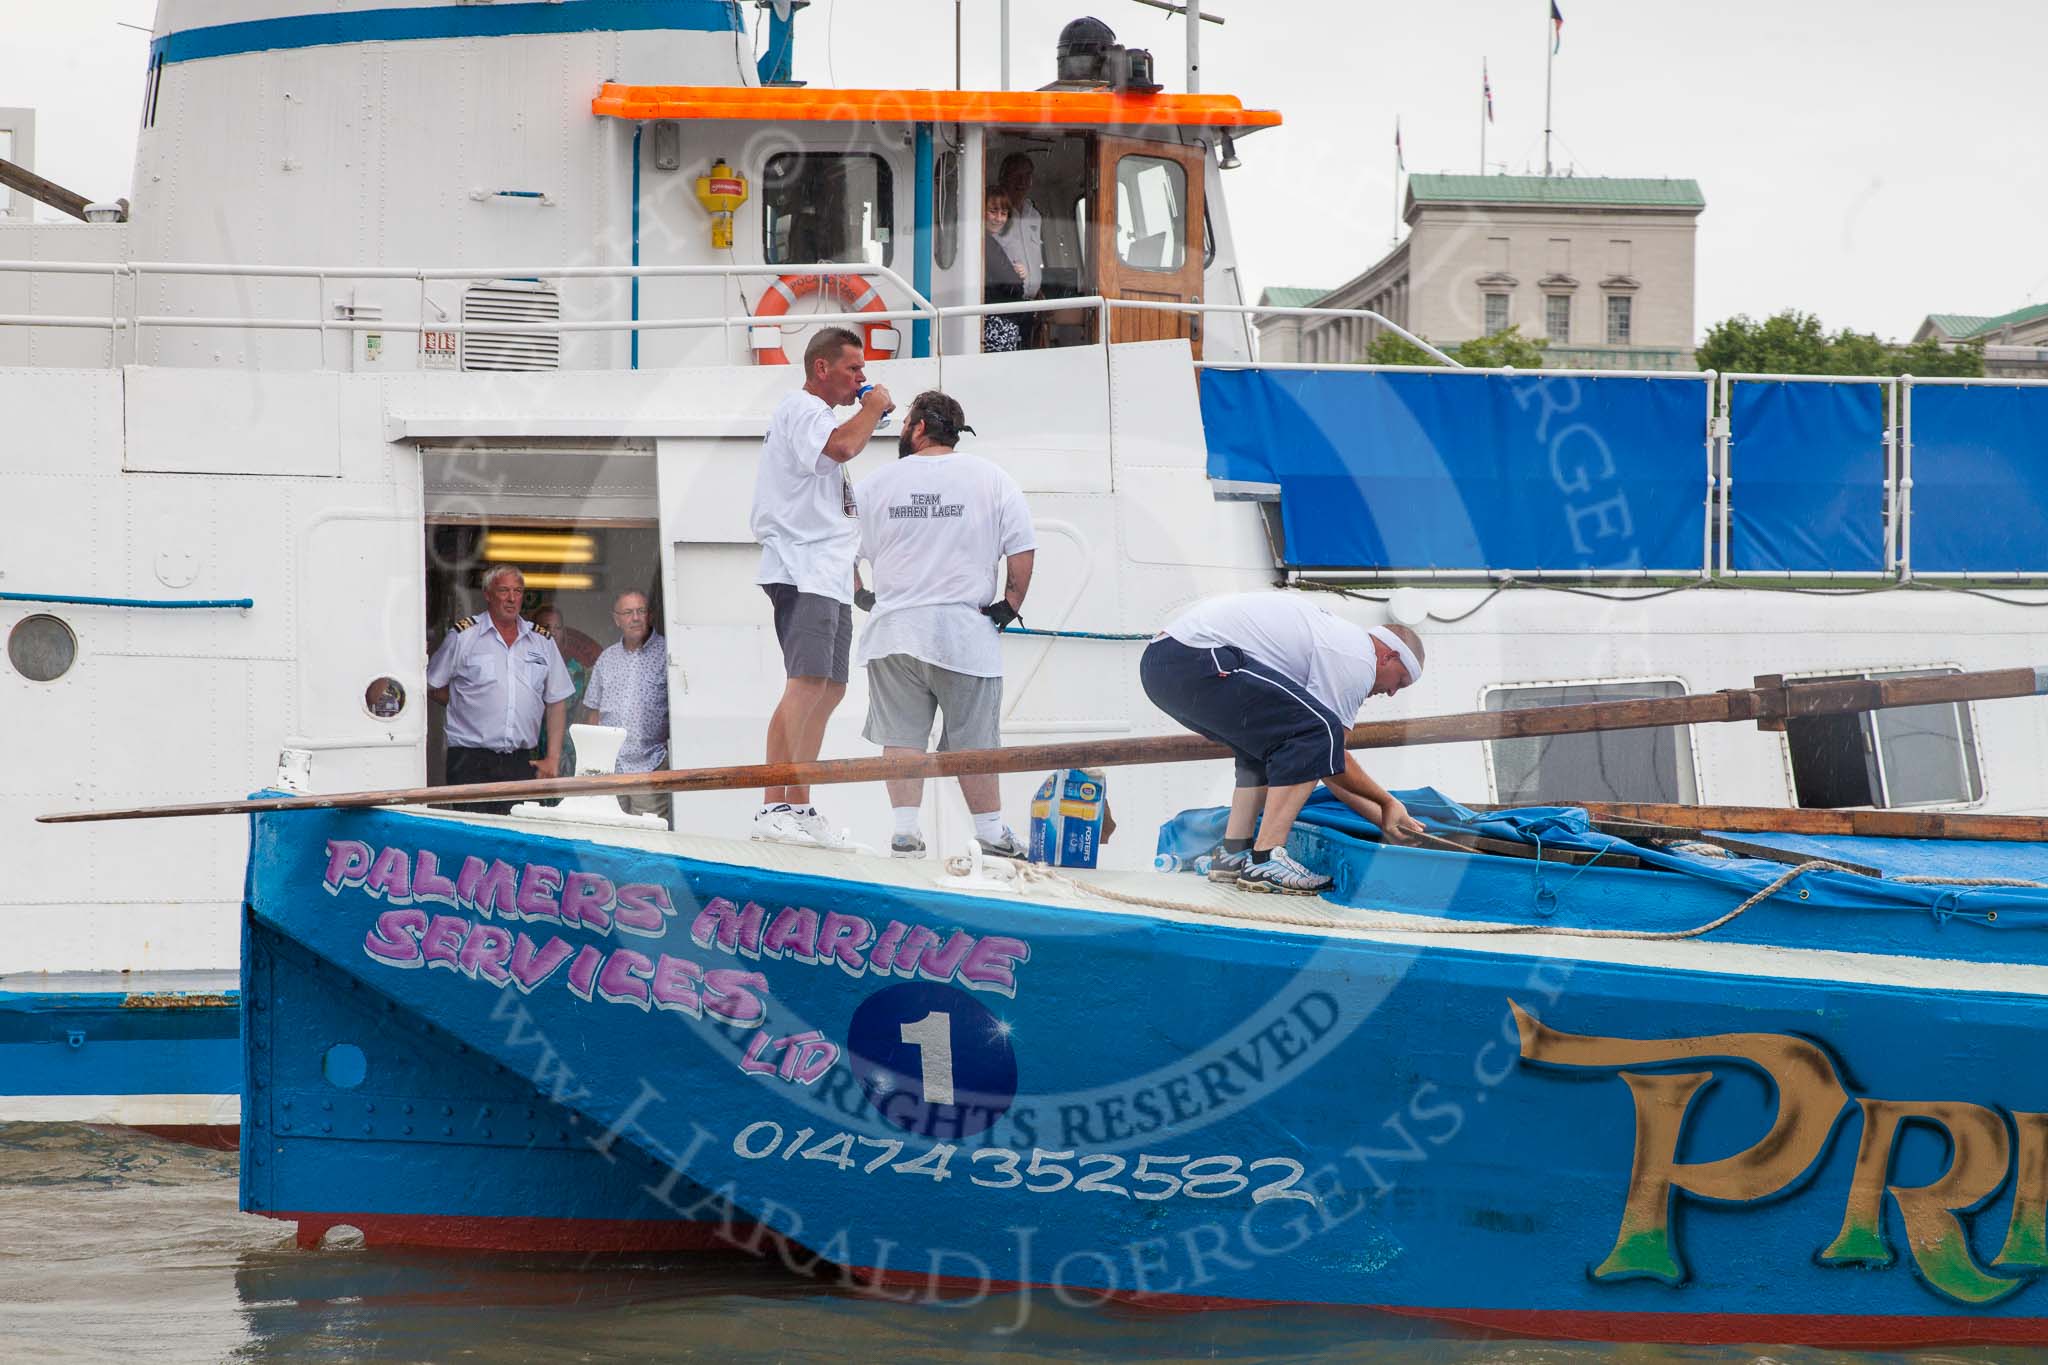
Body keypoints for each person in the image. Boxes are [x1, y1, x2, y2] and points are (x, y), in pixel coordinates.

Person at [1139, 593, 1427, 895]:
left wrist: (1387, 820)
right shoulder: (1358, 660)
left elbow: (1323, 762)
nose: (1393, 693)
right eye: (1401, 681)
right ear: (1388, 657)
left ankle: (1233, 855)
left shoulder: (1339, 642)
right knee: (1318, 731)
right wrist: (1387, 804)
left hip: (1165, 664)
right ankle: (1265, 858)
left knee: (1268, 745)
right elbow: (1330, 754)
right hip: (1194, 658)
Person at [854, 390, 1036, 859]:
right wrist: (1009, 605)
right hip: (964, 636)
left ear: (918, 428)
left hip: (895, 633)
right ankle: (992, 835)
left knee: (902, 738)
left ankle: (905, 833)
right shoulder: (992, 478)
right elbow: (1022, 548)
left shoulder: (877, 483)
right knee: (974, 743)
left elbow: (840, 548)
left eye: (905, 422)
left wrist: (862, 595)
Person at [750, 325, 893, 847]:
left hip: (827, 572)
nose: (862, 378)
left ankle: (800, 805)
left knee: (830, 689)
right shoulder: (804, 410)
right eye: (854, 369)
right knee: (806, 684)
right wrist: (873, 408)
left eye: (862, 371)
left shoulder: (819, 416)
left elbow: (834, 503)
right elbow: (843, 448)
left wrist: (853, 576)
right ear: (821, 368)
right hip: (801, 566)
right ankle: (772, 805)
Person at [426, 564, 574, 814]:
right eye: (504, 590)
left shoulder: (541, 641)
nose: (512, 598)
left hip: (520, 760)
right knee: (472, 835)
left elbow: (557, 700)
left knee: (516, 838)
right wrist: (465, 704)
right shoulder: (464, 635)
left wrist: (552, 758)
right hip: (469, 759)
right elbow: (431, 685)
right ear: (487, 594)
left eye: (517, 590)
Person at [581, 590, 671, 821]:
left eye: (641, 611)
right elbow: (594, 712)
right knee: (611, 835)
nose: (636, 618)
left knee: (648, 838)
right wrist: (594, 764)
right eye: (628, 612)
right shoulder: (607, 658)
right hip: (610, 767)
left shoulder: (668, 653)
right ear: (617, 619)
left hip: (650, 764)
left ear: (650, 616)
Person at [990, 153, 1043, 344]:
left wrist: (1038, 289)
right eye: (1016, 175)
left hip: (1031, 306)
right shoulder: (992, 213)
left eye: (1027, 175)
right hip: (1002, 303)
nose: (1022, 182)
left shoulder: (1035, 215)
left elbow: (1035, 258)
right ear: (1003, 177)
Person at [982, 188, 1027, 354]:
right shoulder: (984, 241)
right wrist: (1018, 278)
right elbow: (1013, 287)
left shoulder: (988, 241)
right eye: (993, 211)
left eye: (1004, 213)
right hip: (996, 325)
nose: (999, 218)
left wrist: (1018, 272)